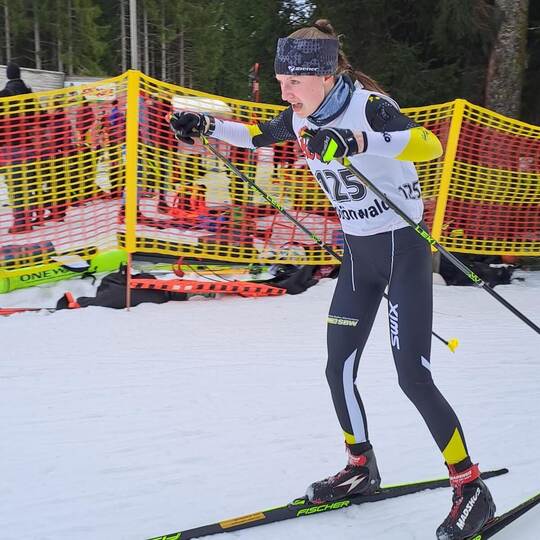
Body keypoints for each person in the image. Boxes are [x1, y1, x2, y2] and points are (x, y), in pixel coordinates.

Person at [169, 20, 495, 540]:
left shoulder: (367, 107)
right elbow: (254, 135)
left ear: (325, 76)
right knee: (337, 367)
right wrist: (205, 125)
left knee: (412, 377)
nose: (286, 92)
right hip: (359, 257)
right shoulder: (301, 116)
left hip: (403, 251)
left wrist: (355, 140)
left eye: (293, 82)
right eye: (281, 81)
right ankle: (360, 466)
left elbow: (428, 144)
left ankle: (470, 487)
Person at [0, 62, 38, 233]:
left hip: (11, 147)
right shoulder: (30, 95)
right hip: (30, 146)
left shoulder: (4, 95)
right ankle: (29, 218)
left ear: (8, 75)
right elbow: (40, 118)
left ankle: (21, 222)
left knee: (15, 186)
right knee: (28, 184)